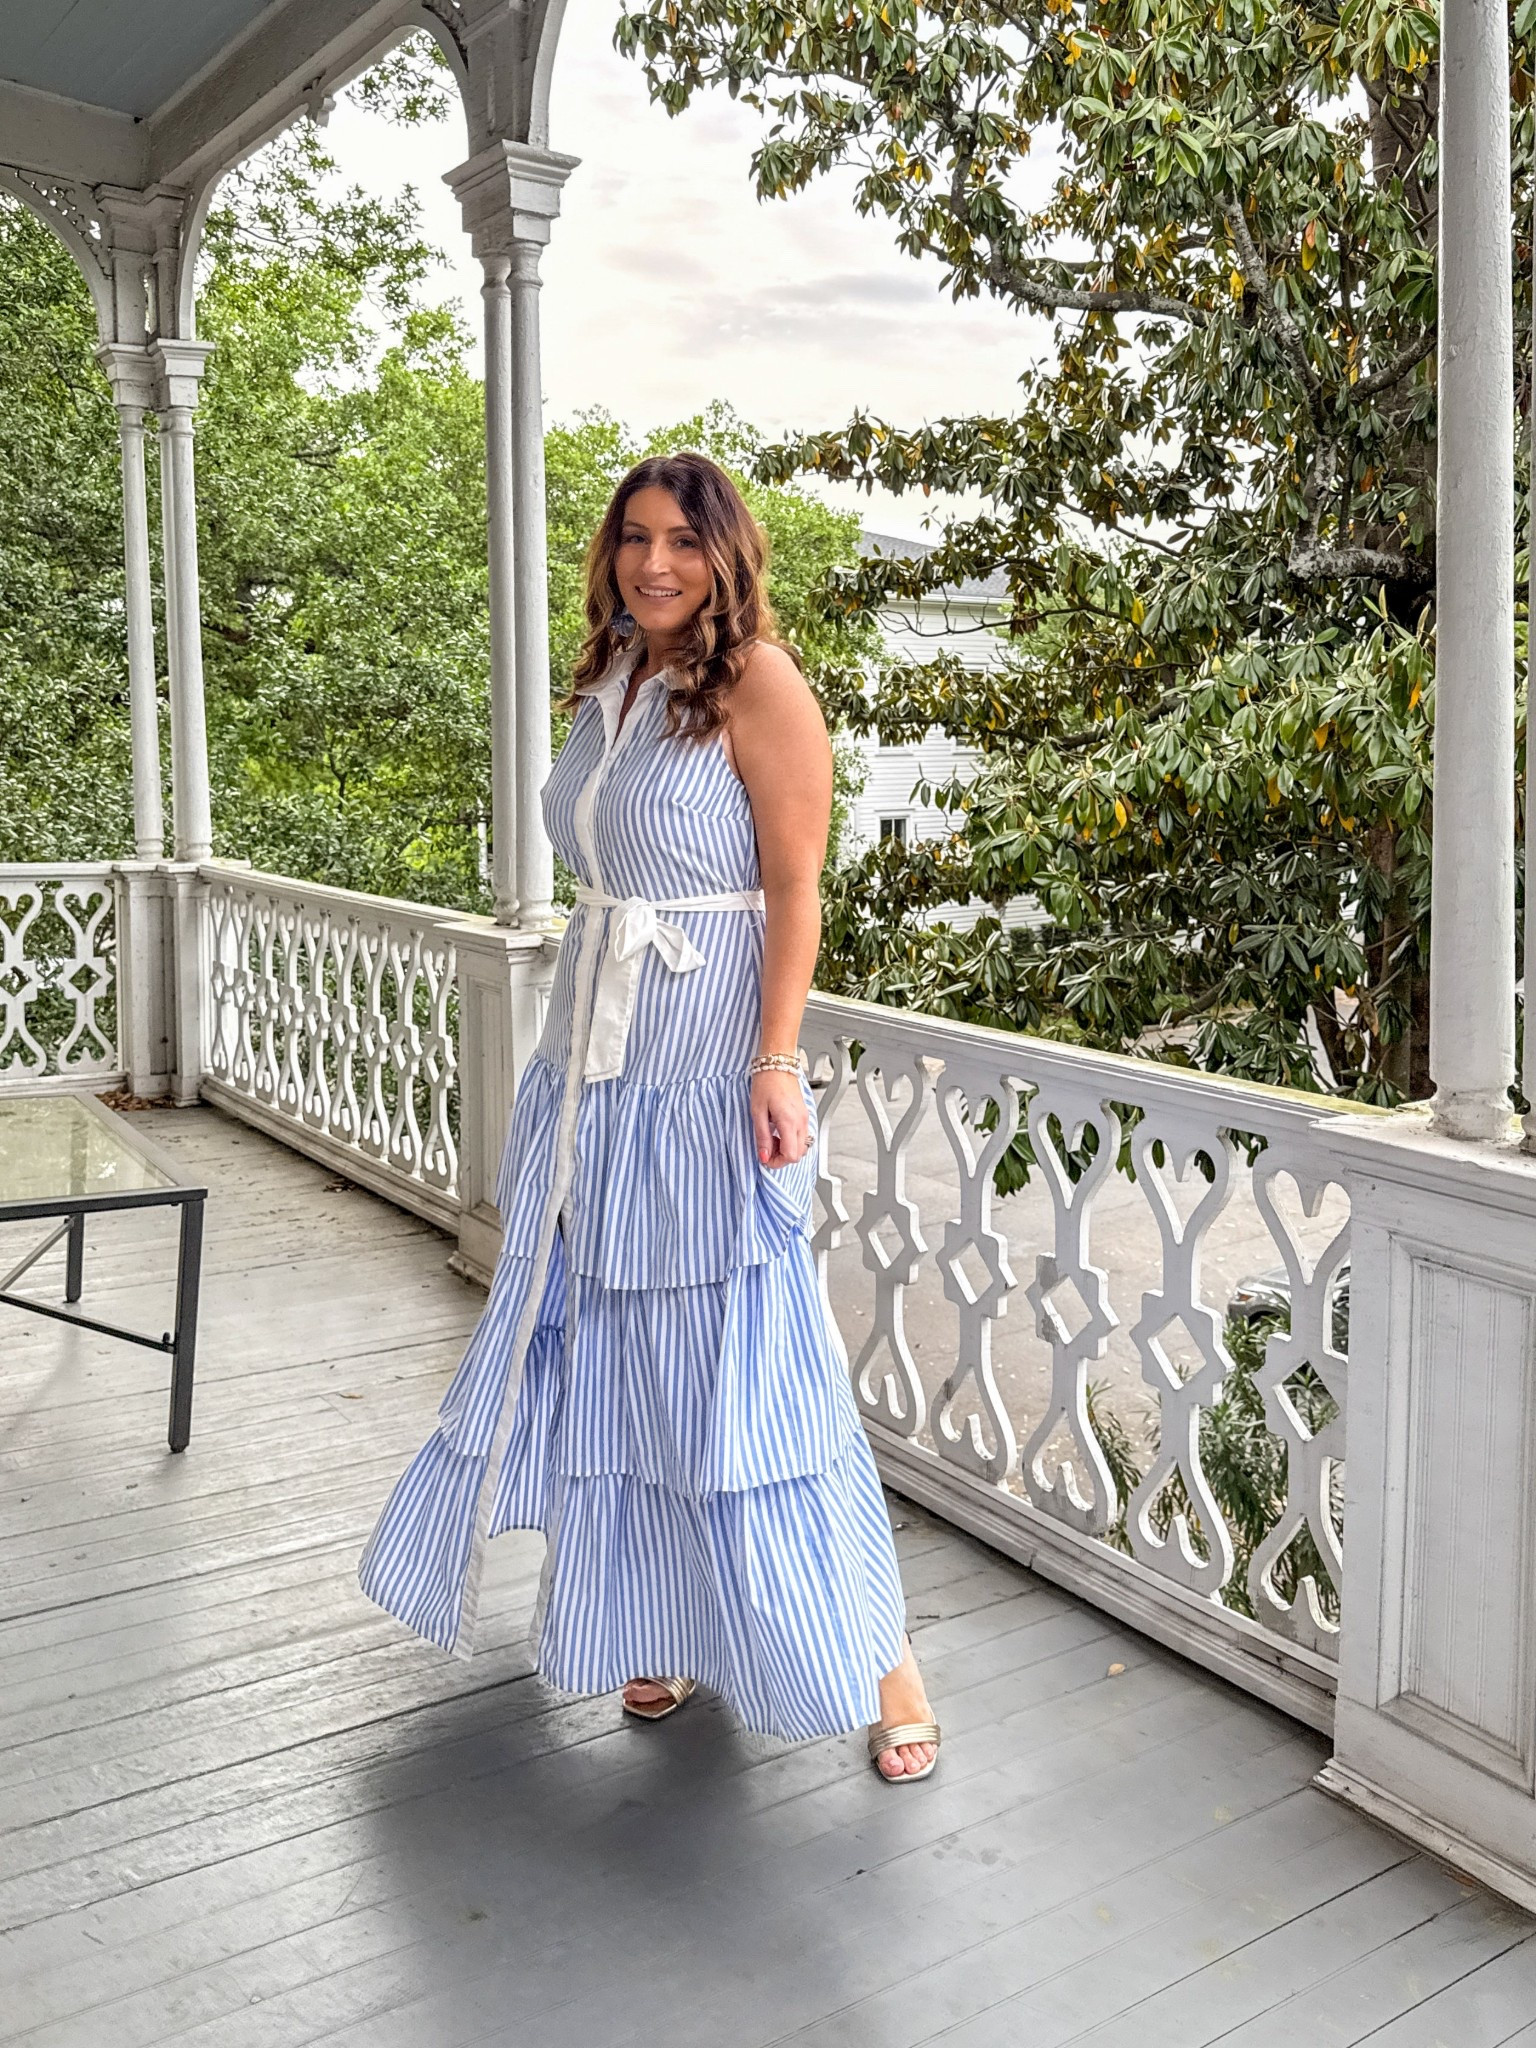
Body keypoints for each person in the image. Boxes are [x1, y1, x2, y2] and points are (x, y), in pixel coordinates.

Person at [359, 451, 939, 1781]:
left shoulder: (760, 684)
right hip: (595, 1070)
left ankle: (884, 1661)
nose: (654, 562)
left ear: (727, 554)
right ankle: (662, 1620)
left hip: (705, 1064)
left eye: (681, 539)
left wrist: (776, 1060)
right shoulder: (614, 676)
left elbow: (796, 889)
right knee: (621, 1354)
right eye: (634, 537)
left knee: (752, 1361)